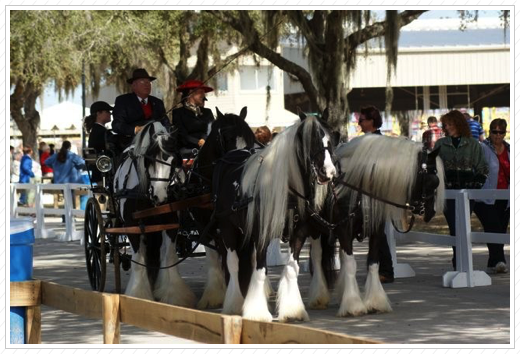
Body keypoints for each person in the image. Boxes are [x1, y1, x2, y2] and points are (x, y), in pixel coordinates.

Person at [434, 110, 489, 269]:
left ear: (459, 124)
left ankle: (463, 262)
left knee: (464, 227)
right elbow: (434, 168)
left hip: (467, 194)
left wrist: (475, 186)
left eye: (450, 124)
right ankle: (458, 262)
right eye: (446, 124)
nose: (447, 127)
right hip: (448, 194)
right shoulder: (440, 144)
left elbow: (483, 168)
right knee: (453, 228)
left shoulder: (472, 144)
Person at [358, 105, 394, 283]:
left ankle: (386, 270)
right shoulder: (365, 140)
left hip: (377, 192)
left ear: (371, 121)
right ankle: (380, 268)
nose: (359, 123)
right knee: (375, 231)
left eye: (362, 120)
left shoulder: (380, 142)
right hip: (365, 192)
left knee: (377, 232)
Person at [473, 119, 510, 274]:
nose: (497, 135)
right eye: (494, 132)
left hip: (505, 197)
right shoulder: (482, 148)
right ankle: (500, 260)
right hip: (486, 197)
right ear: (489, 132)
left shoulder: (509, 149)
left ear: (505, 133)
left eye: (501, 132)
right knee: (493, 226)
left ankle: (492, 262)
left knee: (500, 229)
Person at [112, 68, 169, 149]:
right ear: (134, 85)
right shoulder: (123, 101)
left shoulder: (158, 102)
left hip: (156, 144)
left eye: (149, 82)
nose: (147, 84)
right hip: (132, 144)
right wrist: (135, 130)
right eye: (142, 81)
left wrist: (166, 133)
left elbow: (166, 122)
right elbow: (117, 125)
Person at [172, 79, 215, 158]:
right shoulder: (178, 113)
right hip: (187, 150)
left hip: (208, 149)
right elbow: (181, 134)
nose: (203, 95)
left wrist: (204, 140)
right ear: (190, 93)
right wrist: (198, 142)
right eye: (200, 92)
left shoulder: (208, 112)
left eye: (203, 92)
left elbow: (212, 129)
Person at [84, 101, 115, 183]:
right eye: (107, 111)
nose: (110, 114)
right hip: (106, 174)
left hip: (100, 174)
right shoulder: (102, 132)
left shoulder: (95, 130)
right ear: (98, 113)